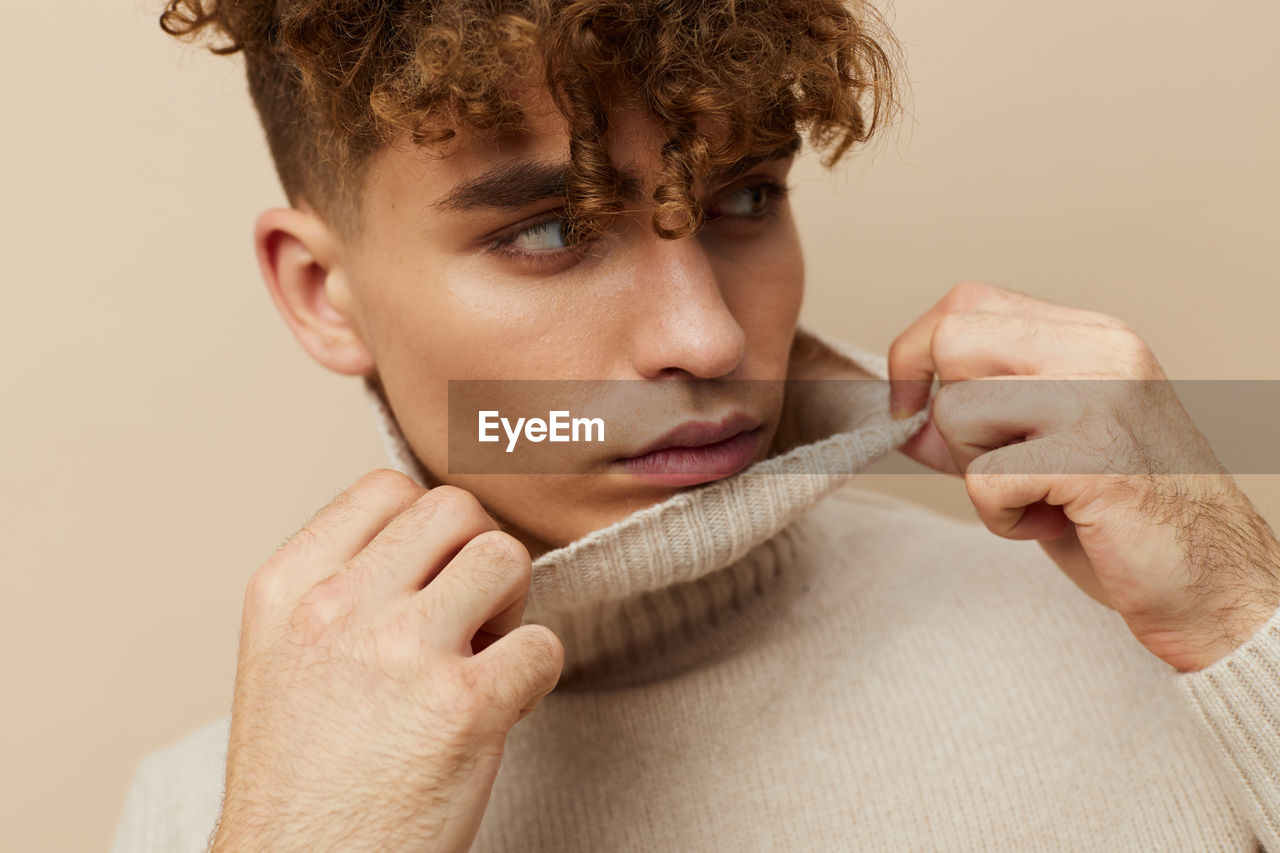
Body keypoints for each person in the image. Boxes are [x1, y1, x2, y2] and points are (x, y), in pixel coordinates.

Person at [112, 0, 1280, 850]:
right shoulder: (206, 811)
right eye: (552, 230)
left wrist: (1246, 618)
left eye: (742, 198)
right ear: (323, 294)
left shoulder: (1141, 635)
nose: (708, 338)